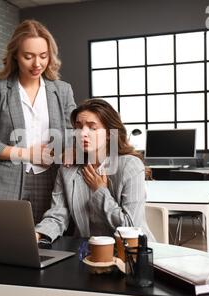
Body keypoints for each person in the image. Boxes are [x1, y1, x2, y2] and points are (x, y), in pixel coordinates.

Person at [0, 20, 76, 223]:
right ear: (15, 55)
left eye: (43, 56)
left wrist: (65, 151)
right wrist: (28, 154)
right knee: (4, 244)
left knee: (51, 245)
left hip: (53, 181)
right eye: (28, 56)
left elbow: (75, 136)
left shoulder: (62, 90)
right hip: (6, 184)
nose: (37, 64)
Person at [35, 99, 156, 242]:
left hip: (131, 253)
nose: (83, 133)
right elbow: (57, 216)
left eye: (92, 128)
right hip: (87, 252)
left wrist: (100, 191)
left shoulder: (130, 166)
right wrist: (37, 234)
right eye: (79, 127)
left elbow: (130, 227)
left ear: (110, 133)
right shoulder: (67, 169)